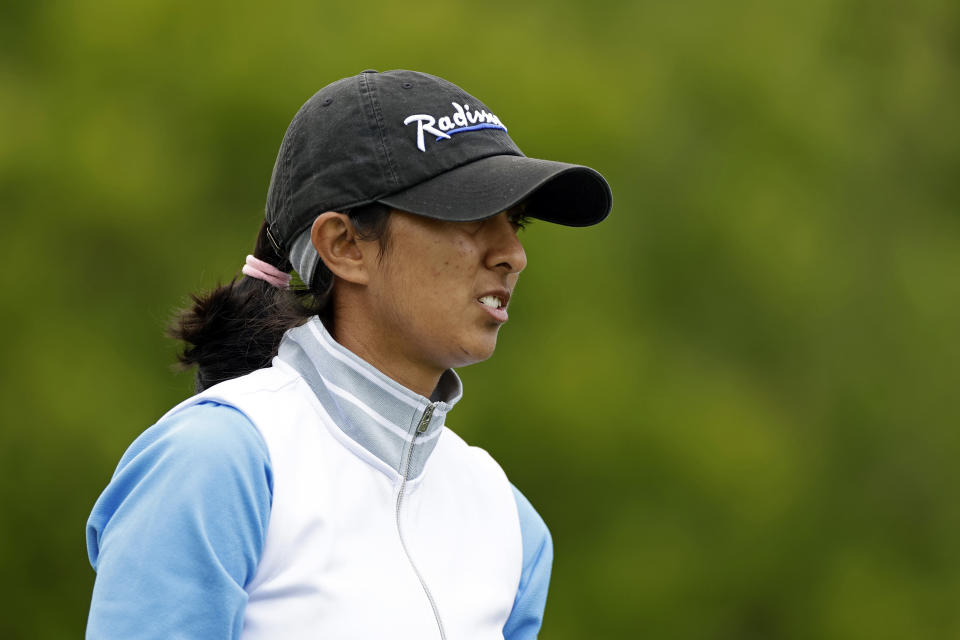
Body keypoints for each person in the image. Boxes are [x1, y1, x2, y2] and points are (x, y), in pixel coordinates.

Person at [85, 69, 612, 639]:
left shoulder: (509, 522)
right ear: (343, 245)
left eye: (515, 222)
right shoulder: (217, 461)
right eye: (471, 214)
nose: (512, 253)